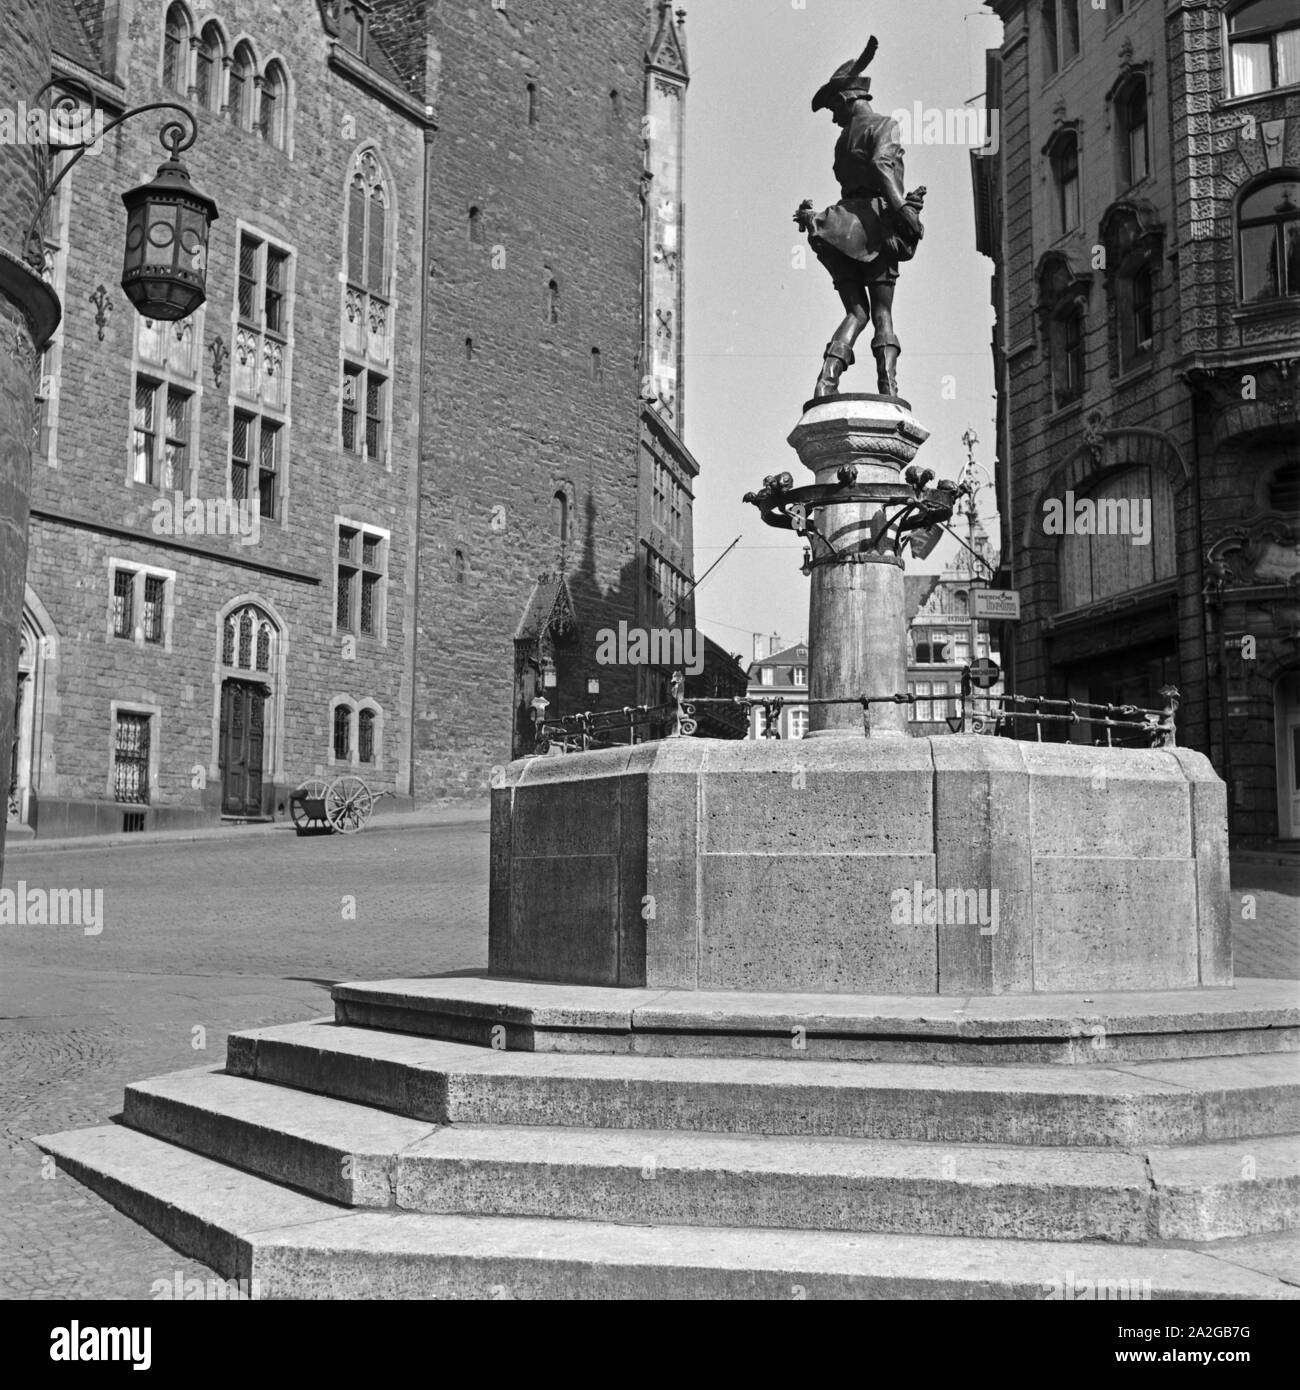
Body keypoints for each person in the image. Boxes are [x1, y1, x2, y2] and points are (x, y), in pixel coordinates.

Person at [795, 36, 926, 399]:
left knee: (856, 312)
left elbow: (855, 182)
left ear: (845, 99)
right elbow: (883, 168)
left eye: (834, 110)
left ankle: (827, 380)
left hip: (836, 230)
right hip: (872, 230)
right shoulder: (885, 125)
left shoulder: (843, 140)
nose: (835, 118)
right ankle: (889, 388)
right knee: (881, 313)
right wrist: (904, 211)